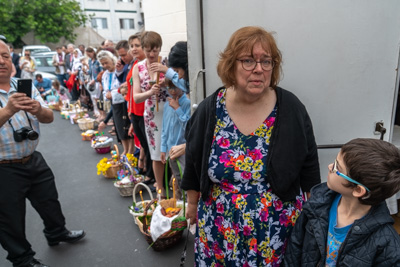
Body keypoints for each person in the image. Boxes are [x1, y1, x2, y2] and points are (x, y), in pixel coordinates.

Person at [180, 26, 320, 266]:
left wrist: (315, 213)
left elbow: (309, 163)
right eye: (248, 61)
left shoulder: (291, 108)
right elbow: (194, 163)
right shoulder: (209, 109)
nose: (258, 69)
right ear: (231, 65)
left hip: (276, 230)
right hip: (219, 228)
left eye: (266, 62)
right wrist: (192, 205)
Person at [0, 40, 85, 267]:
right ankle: (22, 259)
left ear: (12, 60)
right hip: (3, 168)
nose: (2, 61)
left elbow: (48, 117)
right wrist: (8, 110)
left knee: (49, 200)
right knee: (10, 218)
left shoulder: (23, 84)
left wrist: (39, 110)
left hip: (33, 158)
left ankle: (56, 232)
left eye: (5, 56)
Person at [284, 138, 400, 266]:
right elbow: (294, 249)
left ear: (357, 189)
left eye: (336, 167)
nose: (329, 166)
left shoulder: (387, 242)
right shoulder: (316, 205)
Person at [133, 31, 168, 195]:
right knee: (155, 153)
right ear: (144, 49)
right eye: (148, 50)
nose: (152, 54)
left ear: (160, 48)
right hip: (152, 115)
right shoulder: (138, 67)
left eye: (155, 50)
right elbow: (136, 97)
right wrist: (149, 92)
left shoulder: (166, 63)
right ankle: (160, 187)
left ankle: (175, 184)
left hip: (169, 111)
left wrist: (166, 76)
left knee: (172, 150)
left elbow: (180, 85)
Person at [126, 33, 154, 184]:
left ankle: (151, 174)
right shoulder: (134, 65)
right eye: (132, 46)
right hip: (135, 110)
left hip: (144, 109)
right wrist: (130, 110)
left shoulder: (145, 66)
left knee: (149, 144)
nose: (134, 49)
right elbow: (131, 91)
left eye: (137, 46)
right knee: (143, 143)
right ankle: (147, 170)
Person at [98, 50, 133, 155]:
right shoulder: (104, 75)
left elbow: (122, 87)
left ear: (112, 60)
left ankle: (130, 150)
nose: (105, 65)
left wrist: (112, 94)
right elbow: (105, 90)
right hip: (114, 103)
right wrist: (107, 95)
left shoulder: (119, 71)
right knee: (119, 127)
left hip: (122, 102)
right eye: (103, 64)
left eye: (106, 62)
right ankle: (125, 149)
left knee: (126, 126)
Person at [160, 79, 191, 199]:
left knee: (185, 178)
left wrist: (177, 108)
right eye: (169, 88)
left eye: (175, 87)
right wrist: (163, 148)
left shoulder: (187, 103)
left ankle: (189, 203)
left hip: (182, 148)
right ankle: (181, 201)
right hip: (170, 147)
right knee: (177, 177)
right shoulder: (168, 103)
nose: (172, 91)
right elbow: (164, 127)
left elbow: (188, 126)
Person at [86, 46, 102, 118]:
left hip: (97, 81)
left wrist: (95, 80)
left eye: (89, 54)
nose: (89, 56)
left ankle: (99, 112)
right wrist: (86, 72)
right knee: (92, 97)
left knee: (97, 97)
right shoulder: (90, 61)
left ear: (93, 52)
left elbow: (100, 72)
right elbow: (90, 71)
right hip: (92, 80)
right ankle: (95, 110)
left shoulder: (97, 61)